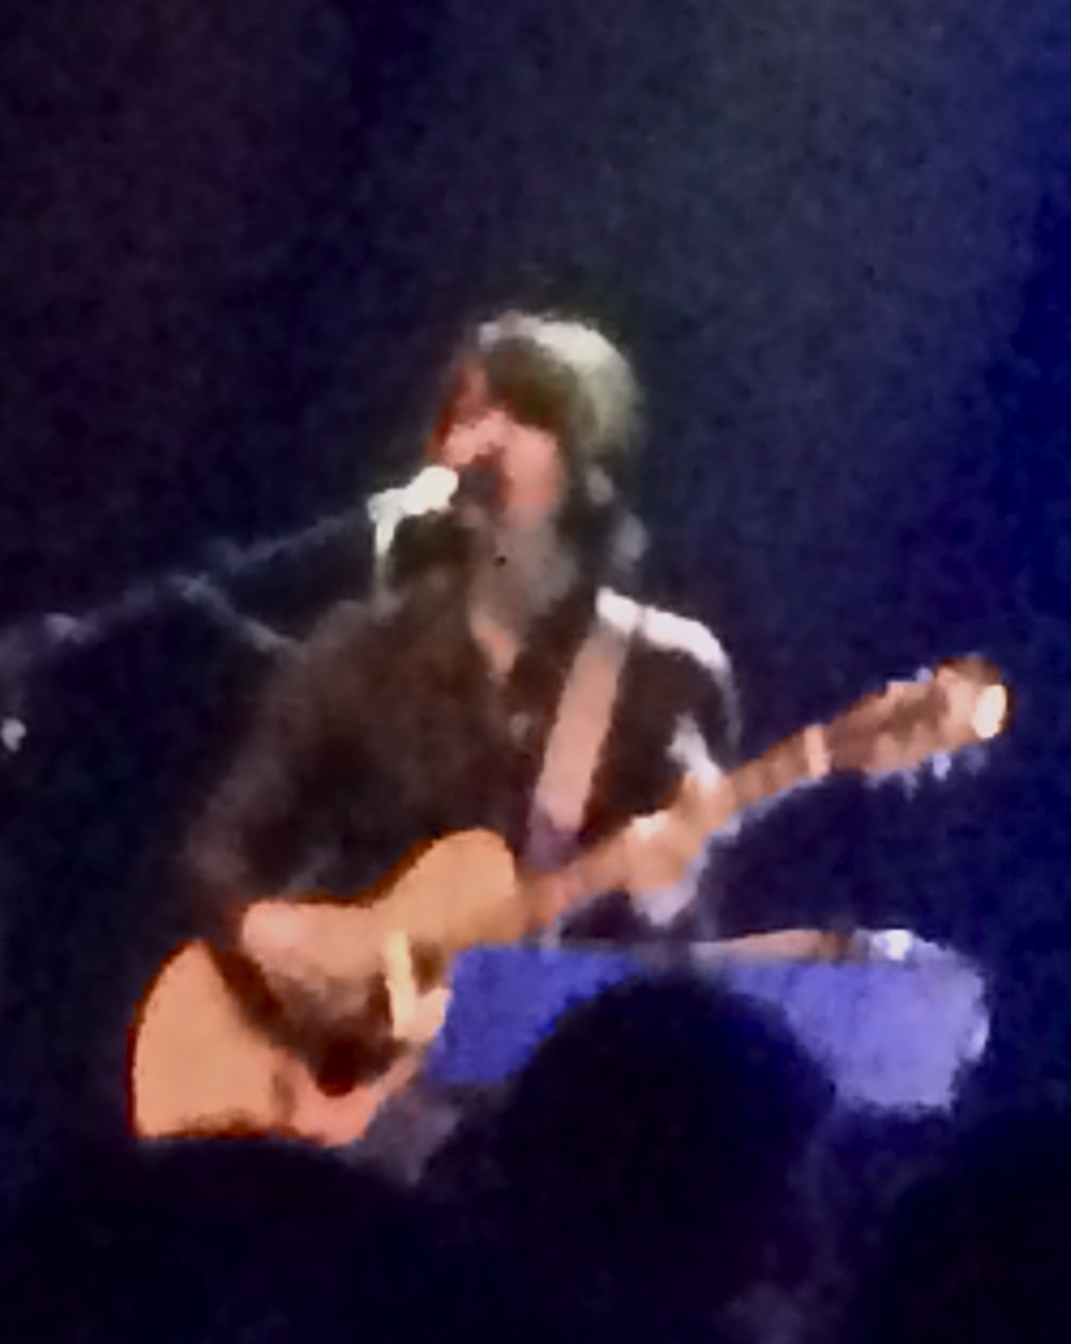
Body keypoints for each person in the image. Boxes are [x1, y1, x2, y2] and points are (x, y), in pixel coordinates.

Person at [181, 311, 740, 1148]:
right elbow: (217, 849)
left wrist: (667, 894)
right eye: (468, 414)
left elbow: (686, 957)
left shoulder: (666, 672)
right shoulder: (362, 649)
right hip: (345, 1112)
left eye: (526, 415)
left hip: (556, 1119)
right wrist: (265, 930)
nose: (485, 439)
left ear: (593, 469)